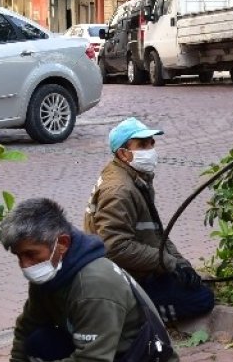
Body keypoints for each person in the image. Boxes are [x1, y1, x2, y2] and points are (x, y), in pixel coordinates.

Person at [0, 198, 177, 362]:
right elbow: (27, 328)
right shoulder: (52, 273)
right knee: (37, 342)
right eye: (19, 257)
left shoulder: (93, 285)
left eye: (31, 255)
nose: (25, 265)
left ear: (62, 243)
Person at [84, 117, 214, 323]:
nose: (151, 149)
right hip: (118, 279)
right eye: (142, 145)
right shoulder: (120, 190)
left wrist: (181, 263)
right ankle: (133, 317)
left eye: (151, 143)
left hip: (134, 270)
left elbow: (156, 233)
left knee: (196, 286)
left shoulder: (134, 178)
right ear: (123, 153)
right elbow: (115, 247)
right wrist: (169, 263)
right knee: (201, 299)